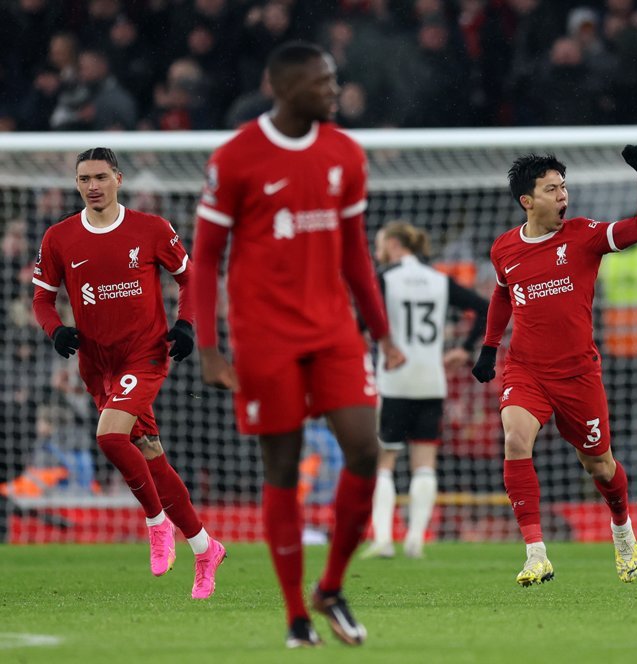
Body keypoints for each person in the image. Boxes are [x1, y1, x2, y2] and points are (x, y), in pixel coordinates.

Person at [190, 41, 405, 648]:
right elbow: (205, 260)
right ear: (282, 88)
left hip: (333, 329)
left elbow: (357, 255)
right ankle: (295, 614)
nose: (333, 90)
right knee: (282, 469)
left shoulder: (345, 153)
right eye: (321, 82)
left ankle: (331, 586)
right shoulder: (235, 158)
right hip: (265, 338)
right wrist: (209, 347)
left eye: (334, 79)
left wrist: (381, 333)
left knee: (365, 449)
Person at [31, 147, 225, 598]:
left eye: (100, 177)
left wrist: (185, 324)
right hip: (97, 363)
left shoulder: (151, 229)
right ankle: (204, 547)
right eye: (84, 179)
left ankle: (157, 525)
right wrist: (56, 330)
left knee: (110, 437)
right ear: (76, 184)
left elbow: (190, 278)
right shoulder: (59, 237)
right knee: (150, 455)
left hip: (145, 354)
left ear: (118, 178)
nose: (92, 186)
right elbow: (41, 299)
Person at [471, 145, 637, 585]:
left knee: (600, 467)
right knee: (516, 440)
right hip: (527, 370)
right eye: (552, 189)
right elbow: (503, 293)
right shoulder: (504, 248)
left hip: (578, 375)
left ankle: (621, 528)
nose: (563, 196)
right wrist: (489, 347)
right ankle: (536, 554)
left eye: (564, 188)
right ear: (527, 200)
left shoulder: (584, 235)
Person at [363, 221, 489, 560]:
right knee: (424, 463)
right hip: (431, 381)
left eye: (379, 246)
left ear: (391, 244)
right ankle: (416, 540)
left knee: (385, 462)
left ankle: (384, 539)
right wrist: (465, 348)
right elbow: (485, 308)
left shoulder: (385, 280)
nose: (377, 253)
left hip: (394, 379)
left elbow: (361, 324)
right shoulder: (439, 280)